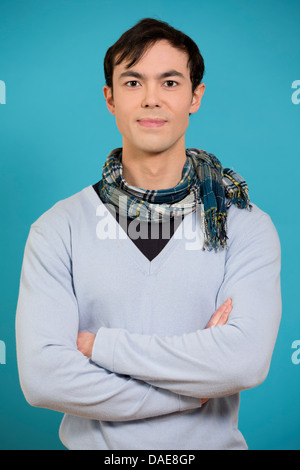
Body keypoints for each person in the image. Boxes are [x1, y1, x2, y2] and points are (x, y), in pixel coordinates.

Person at [16, 18, 282, 450]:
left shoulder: (244, 225)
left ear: (195, 96)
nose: (152, 99)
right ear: (111, 99)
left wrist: (102, 346)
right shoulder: (58, 227)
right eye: (134, 82)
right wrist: (189, 392)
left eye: (171, 82)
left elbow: (243, 363)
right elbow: (44, 379)